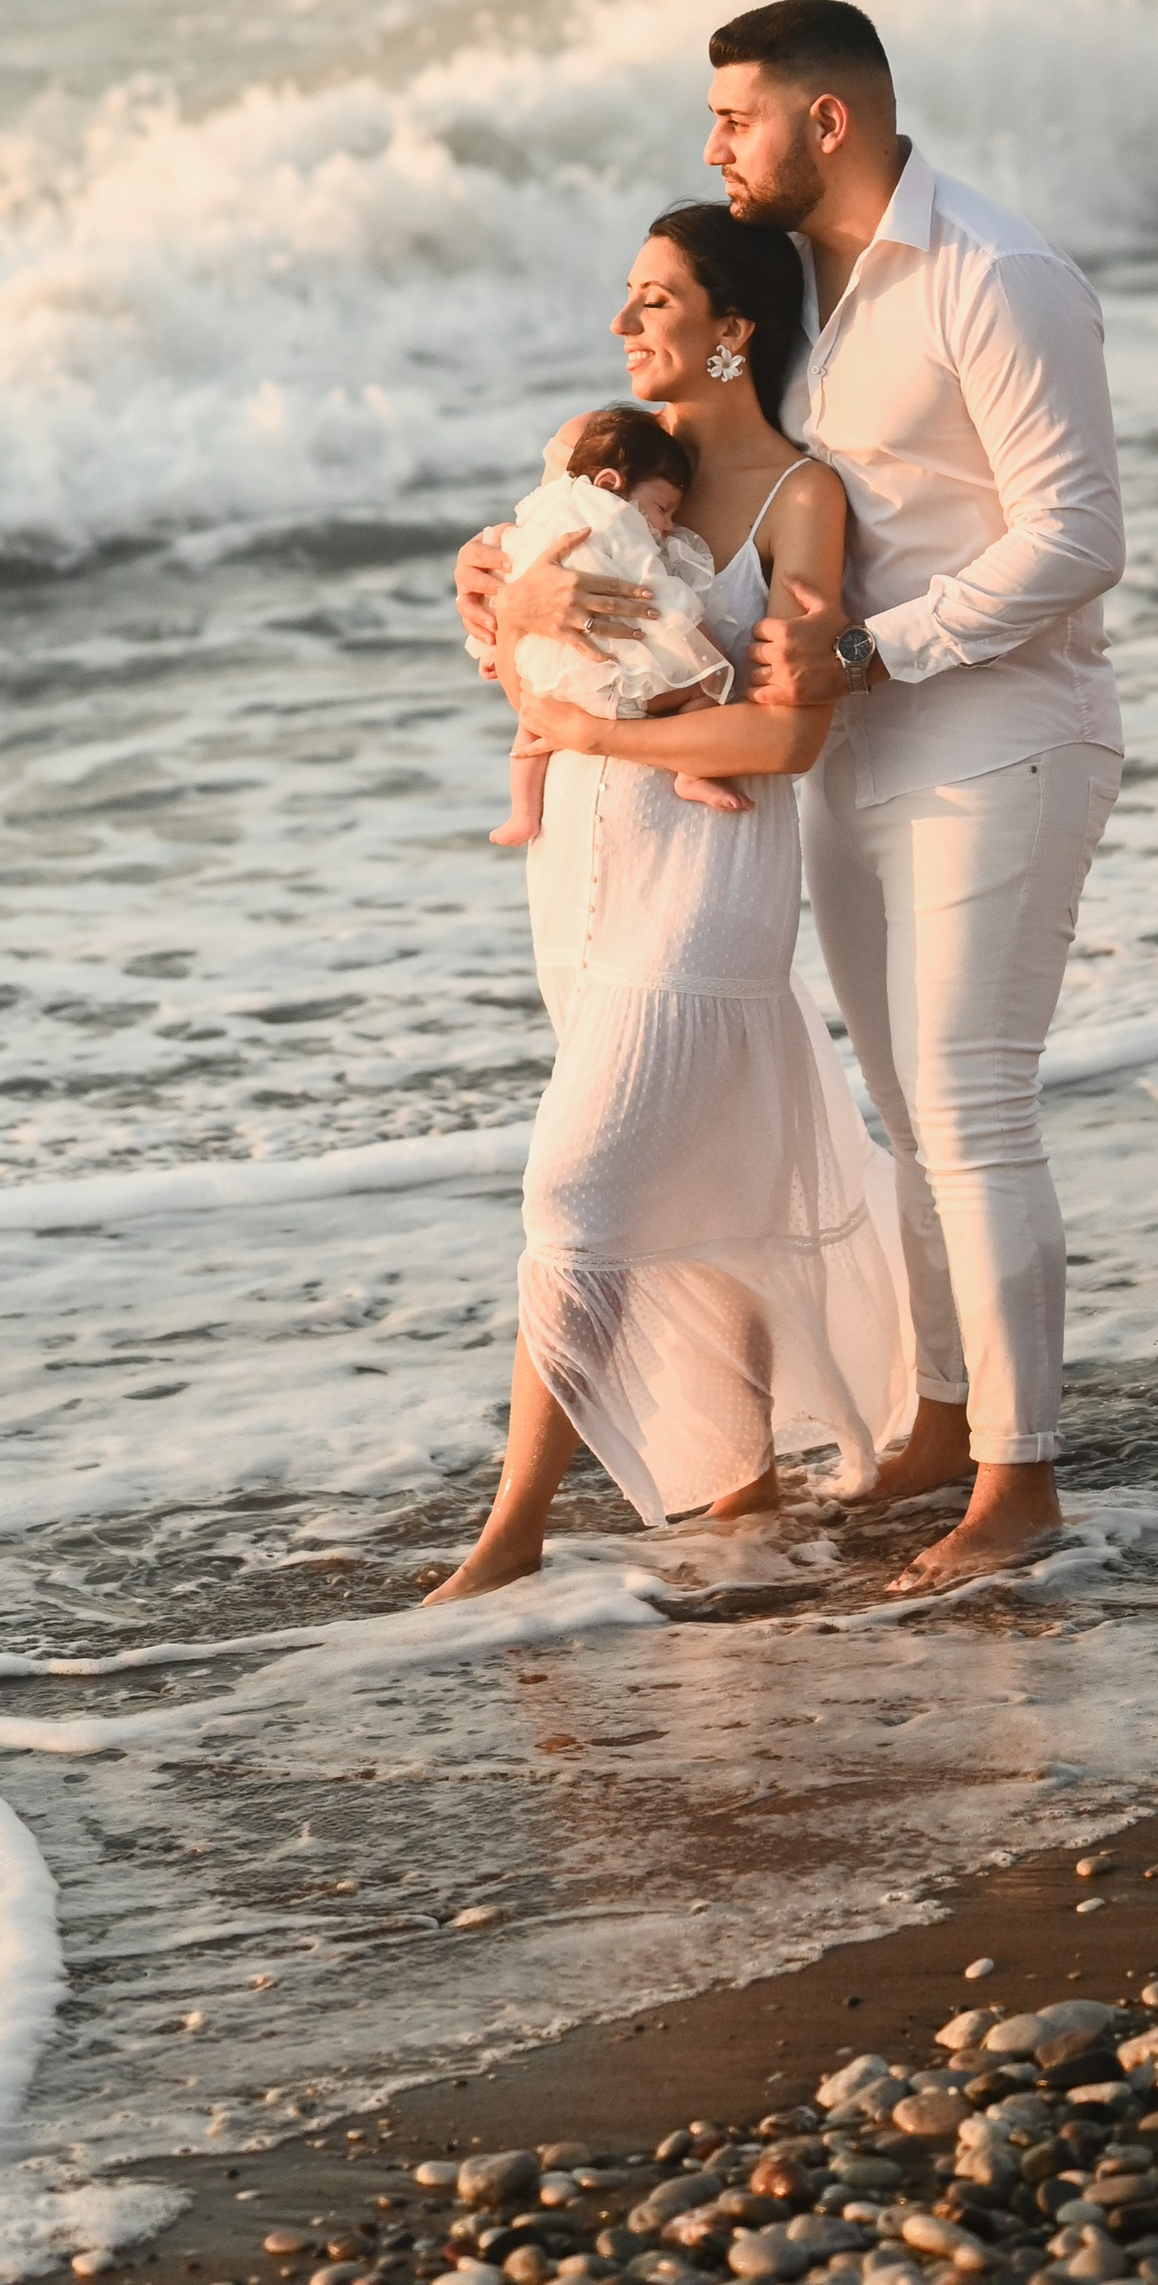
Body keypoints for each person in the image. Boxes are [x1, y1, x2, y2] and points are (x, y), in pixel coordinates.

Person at [709, 0, 1125, 1595]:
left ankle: (1022, 1486)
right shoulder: (792, 299)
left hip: (1000, 734)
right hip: (853, 745)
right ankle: (946, 1420)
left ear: (828, 120)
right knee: (905, 1112)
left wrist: (878, 654)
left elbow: (1075, 535)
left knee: (972, 1103)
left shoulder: (996, 276)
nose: (712, 148)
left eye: (734, 118)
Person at [431, 206, 908, 1602]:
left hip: (714, 883)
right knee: (689, 1182)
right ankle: (739, 1487)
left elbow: (785, 742)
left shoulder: (800, 500)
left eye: (654, 301)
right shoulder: (596, 474)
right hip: (585, 868)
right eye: (628, 301)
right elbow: (524, 665)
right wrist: (493, 605)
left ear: (735, 328)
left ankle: (512, 1530)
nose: (626, 326)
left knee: (576, 1189)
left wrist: (607, 741)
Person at [474, 402, 737, 849]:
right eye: (662, 508)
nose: (667, 526)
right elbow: (651, 586)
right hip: (611, 681)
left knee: (529, 731)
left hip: (546, 675)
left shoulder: (545, 507)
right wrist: (694, 630)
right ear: (612, 484)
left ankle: (522, 812)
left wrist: (490, 649)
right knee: (709, 683)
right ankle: (691, 774)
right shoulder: (618, 519)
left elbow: (508, 567)